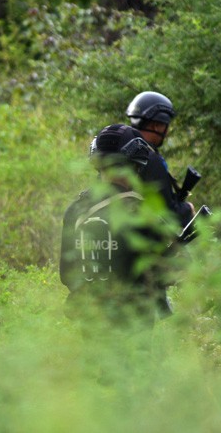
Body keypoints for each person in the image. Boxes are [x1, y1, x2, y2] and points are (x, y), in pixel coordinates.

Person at [59, 124, 176, 328]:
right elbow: (166, 273)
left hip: (91, 322)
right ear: (136, 165)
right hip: (134, 325)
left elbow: (67, 274)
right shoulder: (141, 211)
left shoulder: (76, 209)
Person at [126, 91, 195, 227]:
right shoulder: (150, 158)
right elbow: (166, 214)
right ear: (156, 126)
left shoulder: (122, 152)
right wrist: (188, 209)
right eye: (166, 125)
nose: (167, 131)